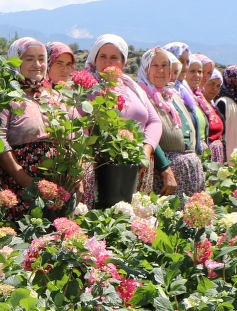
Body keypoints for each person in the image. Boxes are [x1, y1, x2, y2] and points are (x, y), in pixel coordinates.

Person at [88, 34, 176, 195]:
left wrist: (147, 149)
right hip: (105, 170)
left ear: (123, 62)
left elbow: (154, 121)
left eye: (114, 57)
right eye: (103, 56)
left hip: (139, 168)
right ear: (94, 59)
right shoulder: (89, 89)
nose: (108, 62)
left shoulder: (133, 88)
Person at [0, 38, 58, 205]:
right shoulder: (5, 97)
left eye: (41, 59)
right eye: (28, 59)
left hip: (56, 185)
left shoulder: (53, 96)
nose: (37, 64)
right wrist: (21, 176)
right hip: (18, 185)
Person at [142, 47, 205, 195]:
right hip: (165, 174)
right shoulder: (143, 97)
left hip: (188, 173)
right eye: (155, 65)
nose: (161, 70)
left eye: (165, 65)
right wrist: (166, 169)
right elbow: (149, 137)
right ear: (146, 69)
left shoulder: (172, 96)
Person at [187, 53, 226, 162]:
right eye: (201, 71)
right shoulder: (185, 97)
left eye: (208, 73)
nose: (203, 76)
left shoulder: (201, 99)